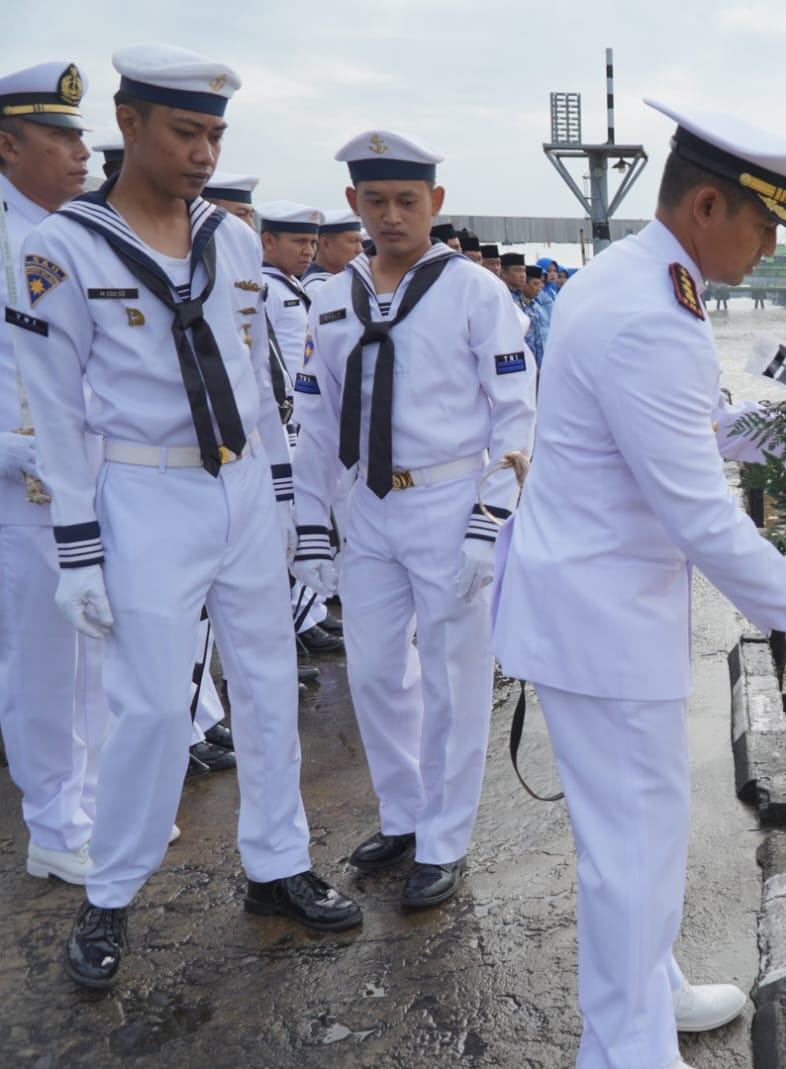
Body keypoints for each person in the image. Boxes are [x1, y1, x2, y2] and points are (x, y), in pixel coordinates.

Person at [491, 98, 786, 1069]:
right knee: (633, 847)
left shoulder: (631, 277)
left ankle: (649, 989)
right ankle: (623, 1049)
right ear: (708, 205)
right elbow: (704, 518)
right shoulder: (650, 317)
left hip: (588, 601)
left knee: (636, 831)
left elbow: (694, 427)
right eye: (764, 223)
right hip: (605, 620)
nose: (769, 248)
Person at [15, 43, 362, 990]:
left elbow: (257, 382)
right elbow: (54, 411)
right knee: (153, 708)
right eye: (186, 132)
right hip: (145, 489)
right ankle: (113, 891)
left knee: (265, 683)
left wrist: (289, 503)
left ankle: (277, 865)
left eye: (215, 134)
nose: (205, 153)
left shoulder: (233, 239)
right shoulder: (59, 248)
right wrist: (78, 552)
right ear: (128, 126)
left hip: (242, 487)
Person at [290, 129, 535, 910]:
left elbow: (516, 412)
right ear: (355, 205)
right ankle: (403, 812)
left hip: (448, 499)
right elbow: (318, 425)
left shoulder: (473, 291)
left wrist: (489, 517)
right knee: (373, 671)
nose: (391, 215)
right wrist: (310, 529)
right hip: (370, 506)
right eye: (374, 201)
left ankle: (446, 835)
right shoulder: (332, 300)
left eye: (406, 201)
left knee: (457, 678)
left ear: (434, 203)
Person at [0, 59, 105, 887]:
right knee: (42, 666)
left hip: (100, 479)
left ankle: (96, 805)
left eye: (81, 134)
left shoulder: (88, 234)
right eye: (60, 136)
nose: (82, 152)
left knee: (99, 655)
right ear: (8, 145)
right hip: (24, 488)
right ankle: (53, 824)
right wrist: (15, 449)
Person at [259, 200, 343, 655]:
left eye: (312, 241)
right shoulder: (266, 289)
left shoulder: (291, 285)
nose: (308, 250)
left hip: (302, 418)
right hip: (282, 423)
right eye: (298, 241)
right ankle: (297, 623)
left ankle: (307, 616)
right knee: (293, 529)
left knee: (308, 525)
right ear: (268, 241)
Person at [303, 207, 363, 290]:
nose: (360, 250)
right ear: (325, 244)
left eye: (361, 242)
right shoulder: (319, 288)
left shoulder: (341, 282)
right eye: (352, 241)